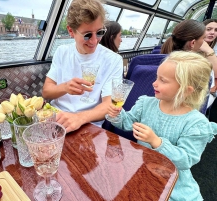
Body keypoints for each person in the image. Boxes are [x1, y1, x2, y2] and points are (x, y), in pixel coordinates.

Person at [107, 51, 217, 201]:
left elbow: (186, 159)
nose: (154, 83)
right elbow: (128, 123)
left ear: (186, 90)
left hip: (172, 183)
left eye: (163, 80)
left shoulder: (196, 123)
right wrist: (117, 114)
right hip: (142, 169)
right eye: (157, 77)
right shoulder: (146, 103)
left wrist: (156, 142)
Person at [42, 0, 123, 133]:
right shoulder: (62, 52)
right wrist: (65, 87)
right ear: (71, 31)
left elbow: (110, 104)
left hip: (89, 127)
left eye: (99, 32)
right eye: (87, 35)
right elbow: (46, 91)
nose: (94, 40)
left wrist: (78, 118)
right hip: (55, 118)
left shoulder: (113, 60)